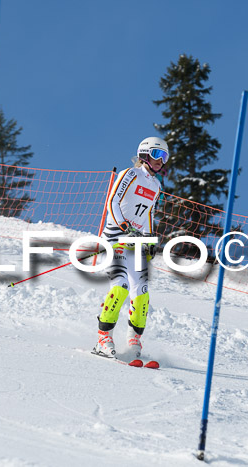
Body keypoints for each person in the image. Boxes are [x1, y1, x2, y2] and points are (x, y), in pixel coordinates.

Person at [92, 137, 169, 358]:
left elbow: (149, 214)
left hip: (134, 242)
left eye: (164, 157)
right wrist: (124, 226)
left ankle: (134, 341)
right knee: (121, 287)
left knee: (141, 292)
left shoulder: (156, 185)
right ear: (144, 154)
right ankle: (103, 339)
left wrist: (149, 238)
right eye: (157, 155)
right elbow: (113, 202)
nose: (160, 161)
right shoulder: (130, 174)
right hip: (115, 237)